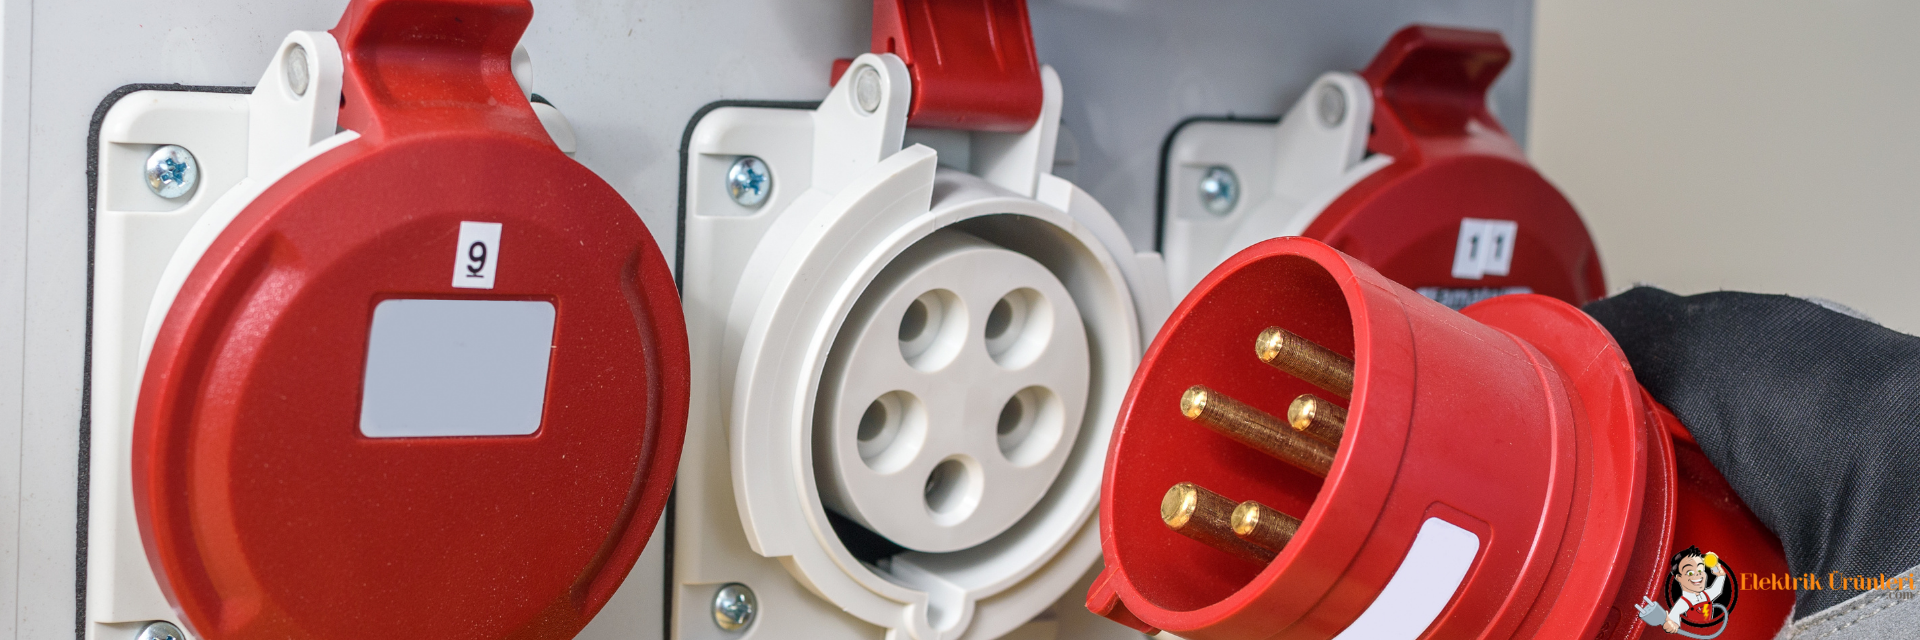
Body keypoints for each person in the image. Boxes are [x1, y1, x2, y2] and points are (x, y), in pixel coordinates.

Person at [1663, 546, 1727, 633]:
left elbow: (1716, 590)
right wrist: (1671, 625)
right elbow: (1673, 619)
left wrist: (1721, 576)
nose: (1697, 575)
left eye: (1700, 570)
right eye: (1690, 573)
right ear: (1679, 578)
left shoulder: (1706, 595)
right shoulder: (1683, 602)